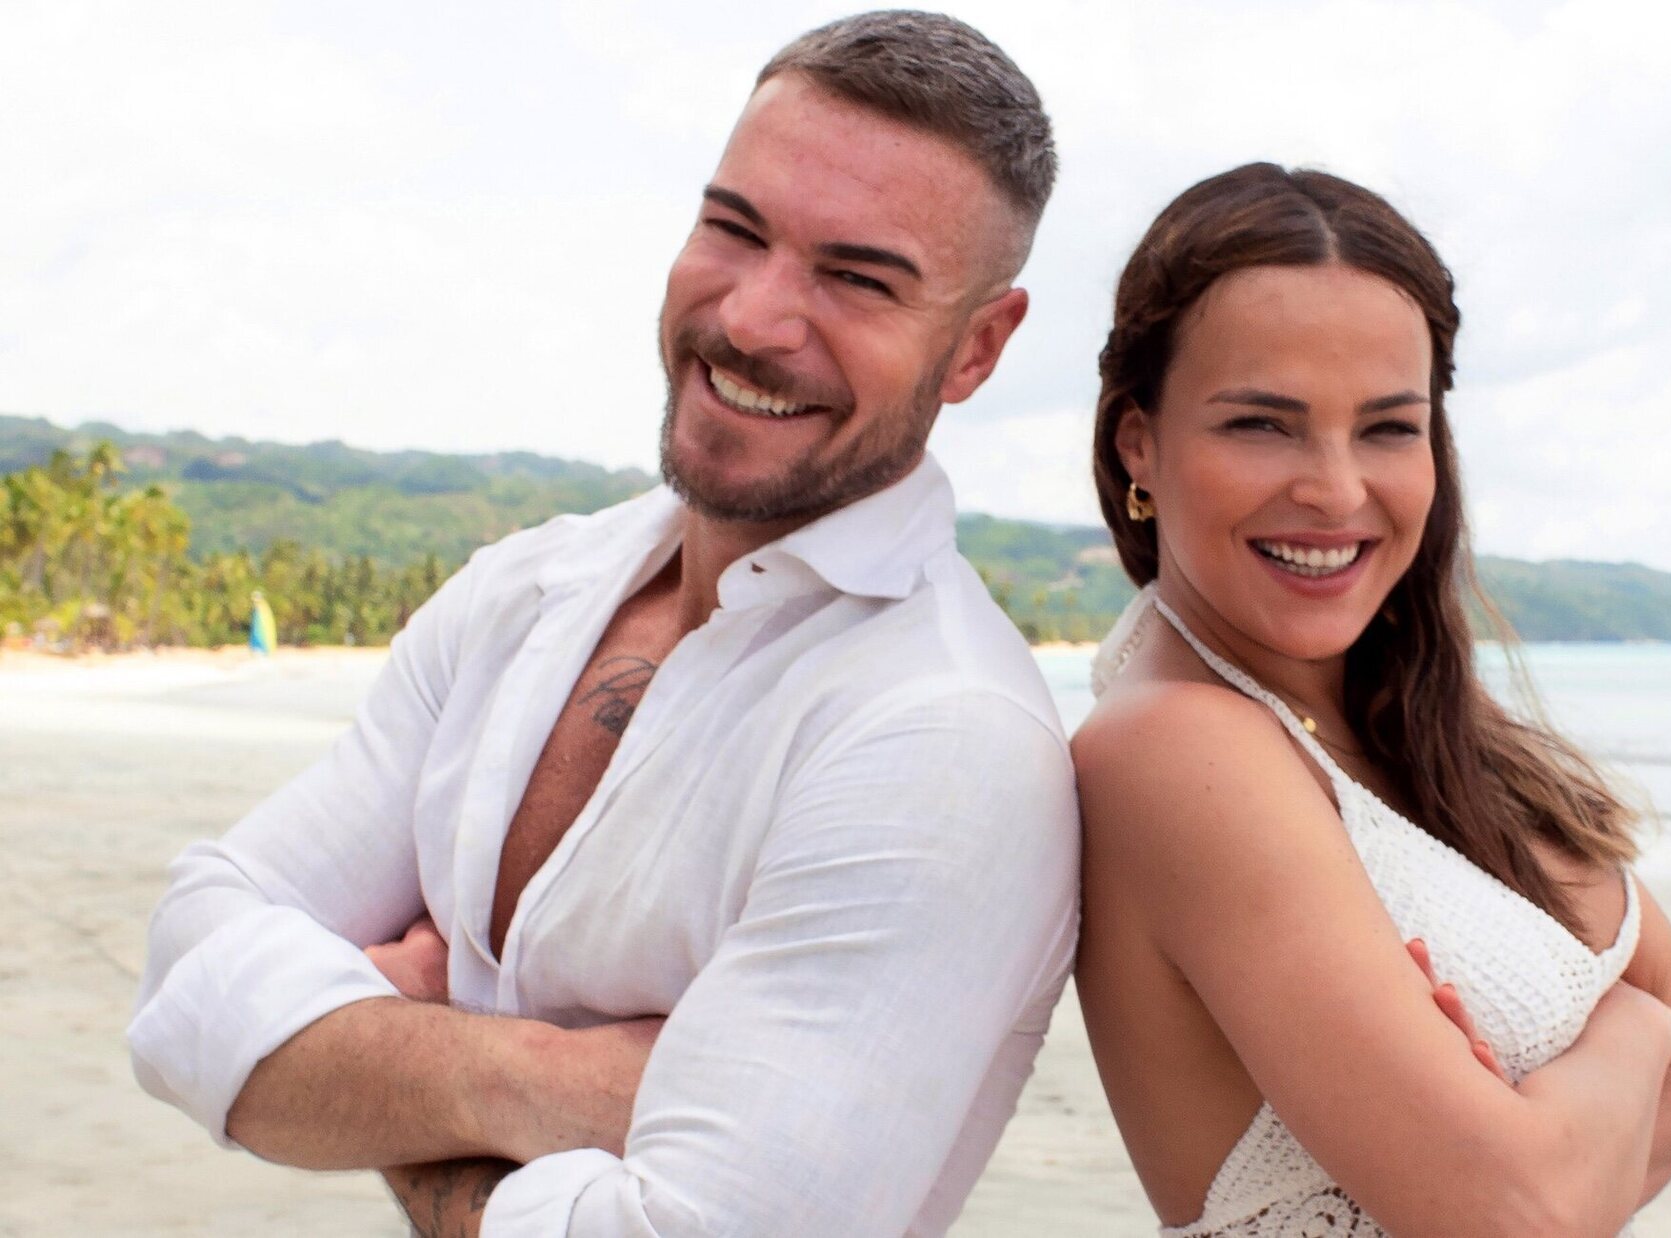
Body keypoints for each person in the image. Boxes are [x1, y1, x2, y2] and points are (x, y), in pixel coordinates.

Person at [128, 13, 1079, 1237]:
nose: (753, 318)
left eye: (856, 278)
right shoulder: (526, 589)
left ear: (978, 347)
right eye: (734, 228)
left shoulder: (945, 736)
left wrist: (372, 1046)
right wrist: (533, 1074)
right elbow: (186, 968)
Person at [1074, 163, 1671, 1236]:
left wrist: (1554, 1115)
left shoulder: (1425, 726)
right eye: (1262, 424)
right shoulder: (1175, 749)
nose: (1335, 491)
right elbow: (1522, 1212)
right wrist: (1634, 1033)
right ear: (1137, 441)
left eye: (1386, 427)